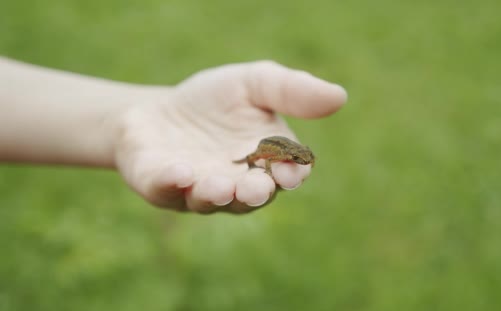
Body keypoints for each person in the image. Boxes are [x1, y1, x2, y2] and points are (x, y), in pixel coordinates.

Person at [0, 57, 347, 214]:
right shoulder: (275, 153)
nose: (302, 160)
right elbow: (268, 153)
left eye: (303, 159)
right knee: (254, 164)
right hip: (262, 150)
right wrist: (262, 165)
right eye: (300, 159)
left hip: (265, 149)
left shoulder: (297, 153)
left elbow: (300, 153)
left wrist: (134, 113)